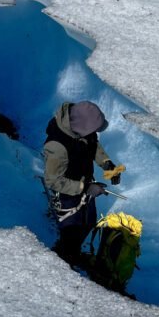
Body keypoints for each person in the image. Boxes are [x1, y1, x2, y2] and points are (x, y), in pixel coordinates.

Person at [43, 100, 123, 266]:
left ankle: (73, 252)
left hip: (85, 185)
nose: (93, 133)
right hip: (66, 194)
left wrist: (107, 164)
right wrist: (85, 188)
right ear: (83, 128)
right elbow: (53, 180)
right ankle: (63, 260)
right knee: (71, 230)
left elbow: (94, 145)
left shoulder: (84, 131)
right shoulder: (57, 147)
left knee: (88, 222)